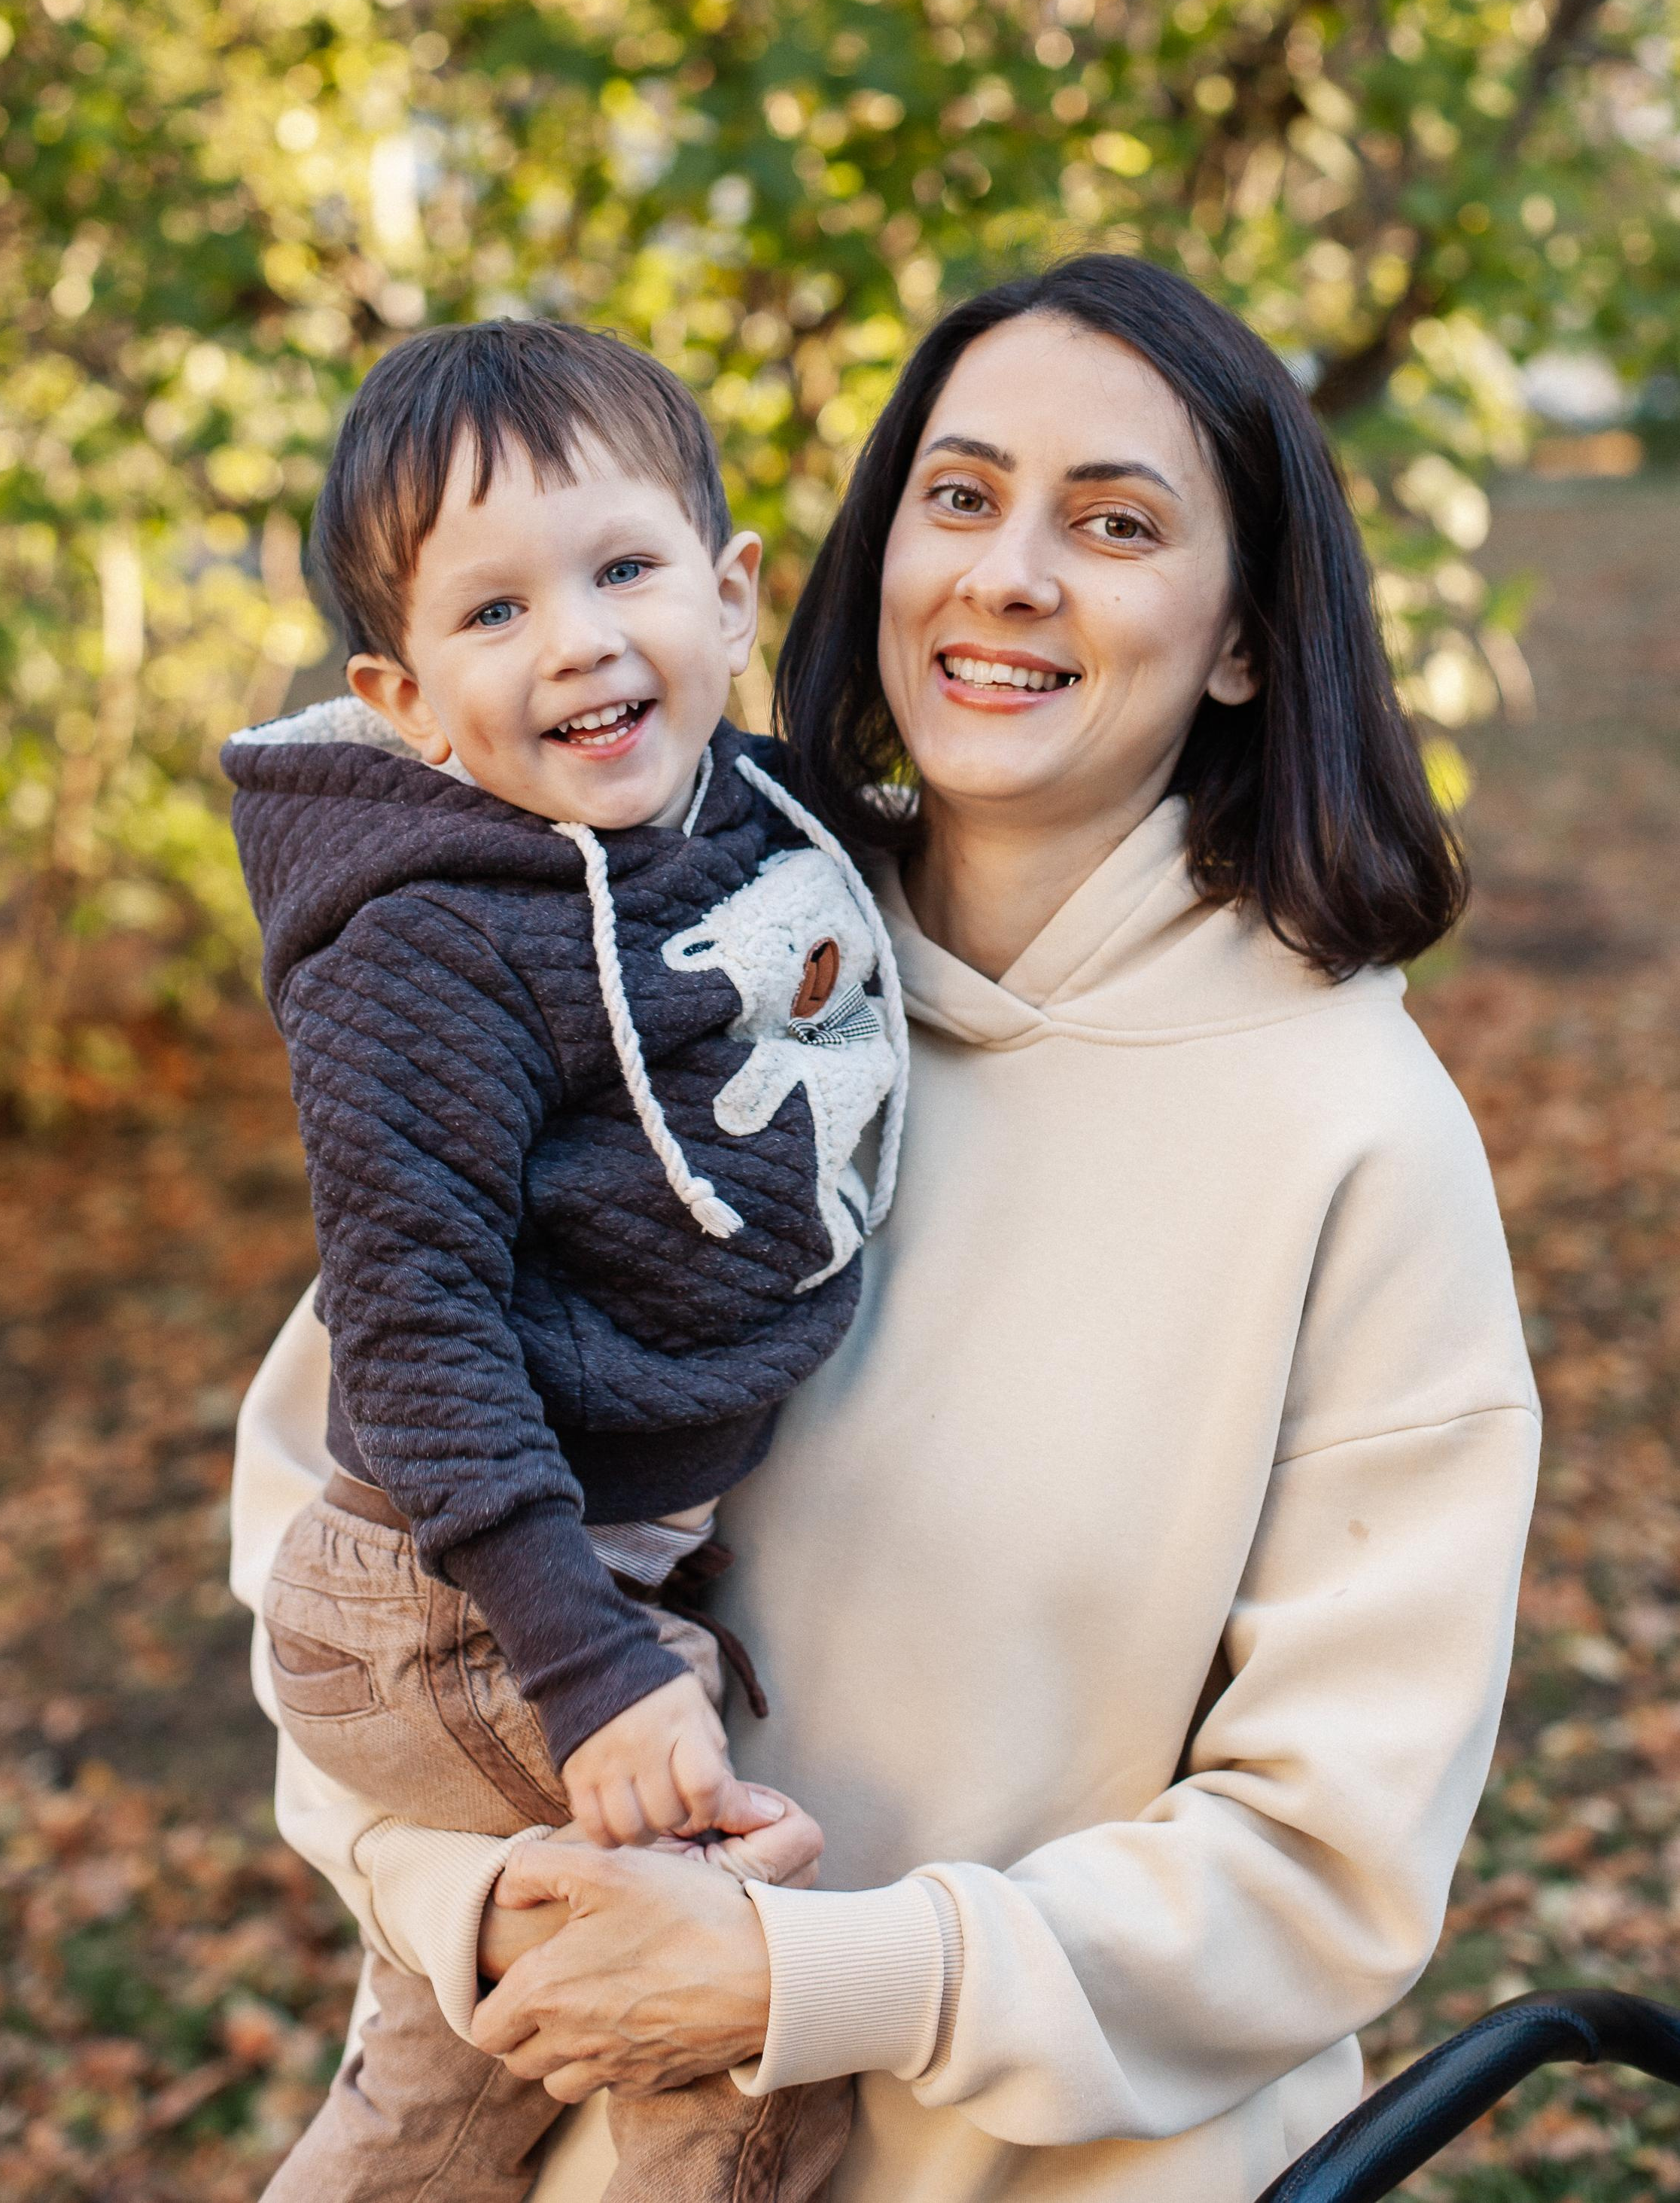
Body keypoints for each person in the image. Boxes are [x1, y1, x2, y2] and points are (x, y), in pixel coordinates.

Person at [230, 255, 1540, 2203]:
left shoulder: (1347, 1140)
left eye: (1108, 521)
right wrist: (486, 1899)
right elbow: (337, 1550)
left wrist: (807, 1974)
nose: (1005, 571)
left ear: (1244, 634)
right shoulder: (634, 956)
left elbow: (1322, 1860)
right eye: (958, 493)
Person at [223, 318, 907, 2199]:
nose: (583, 639)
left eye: (623, 570)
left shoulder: (740, 816)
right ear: (407, 696)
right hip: (461, 1597)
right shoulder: (422, 949)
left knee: (447, 2092)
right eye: (497, 610)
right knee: (739, 2028)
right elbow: (416, 1326)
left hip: (552, 1584)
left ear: (732, 590)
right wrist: (594, 1669)